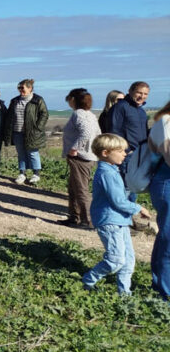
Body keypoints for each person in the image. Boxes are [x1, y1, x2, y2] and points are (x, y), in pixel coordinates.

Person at [81, 134, 149, 295]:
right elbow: (118, 201)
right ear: (105, 153)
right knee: (116, 260)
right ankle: (88, 281)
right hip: (109, 221)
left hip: (120, 220)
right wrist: (138, 208)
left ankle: (124, 293)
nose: (124, 154)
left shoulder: (112, 170)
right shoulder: (107, 173)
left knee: (128, 260)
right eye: (120, 151)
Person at [60, 88, 101, 228]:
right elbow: (97, 133)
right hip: (87, 156)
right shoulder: (90, 115)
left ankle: (86, 220)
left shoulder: (79, 114)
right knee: (73, 188)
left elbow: (86, 133)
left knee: (80, 189)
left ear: (73, 99)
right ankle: (74, 217)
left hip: (80, 157)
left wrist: (74, 148)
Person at [1, 78, 48, 185]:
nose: (20, 90)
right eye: (19, 88)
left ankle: (36, 174)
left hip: (32, 132)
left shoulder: (38, 100)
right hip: (17, 131)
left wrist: (38, 127)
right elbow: (9, 116)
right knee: (21, 153)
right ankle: (22, 173)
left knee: (32, 153)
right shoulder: (14, 100)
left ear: (30, 88)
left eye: (22, 88)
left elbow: (44, 114)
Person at [148, 100, 170, 299]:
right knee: (169, 237)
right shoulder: (166, 122)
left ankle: (159, 284)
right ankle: (164, 292)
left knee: (166, 235)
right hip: (166, 183)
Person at [109, 81, 150, 155]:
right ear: (130, 91)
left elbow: (145, 133)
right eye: (139, 93)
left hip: (142, 154)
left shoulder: (141, 111)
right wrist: (127, 150)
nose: (142, 96)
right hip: (127, 155)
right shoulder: (120, 107)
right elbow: (114, 131)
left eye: (145, 94)